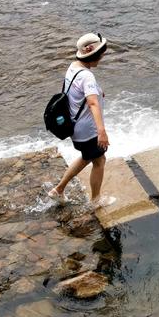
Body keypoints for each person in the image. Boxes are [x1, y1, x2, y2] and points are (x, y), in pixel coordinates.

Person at [49, 32, 114, 208]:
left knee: (86, 157)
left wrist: (99, 92)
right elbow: (92, 103)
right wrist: (102, 132)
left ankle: (58, 190)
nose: (101, 59)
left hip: (75, 127)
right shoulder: (87, 76)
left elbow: (77, 93)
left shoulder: (73, 67)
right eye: (100, 55)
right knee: (99, 161)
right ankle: (96, 200)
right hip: (88, 130)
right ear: (92, 54)